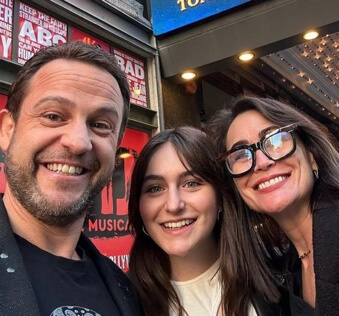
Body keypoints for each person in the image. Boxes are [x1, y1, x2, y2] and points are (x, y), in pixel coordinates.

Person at [0, 42, 141, 316]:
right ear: (7, 130)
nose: (78, 143)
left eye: (100, 125)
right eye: (53, 116)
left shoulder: (127, 291)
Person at [128, 126, 288, 316]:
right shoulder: (121, 300)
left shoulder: (281, 279)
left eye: (191, 184)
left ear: (220, 196)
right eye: (155, 188)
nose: (173, 205)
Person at [205, 96, 339, 316]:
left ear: (312, 156)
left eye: (275, 140)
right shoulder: (284, 267)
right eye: (241, 155)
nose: (261, 162)